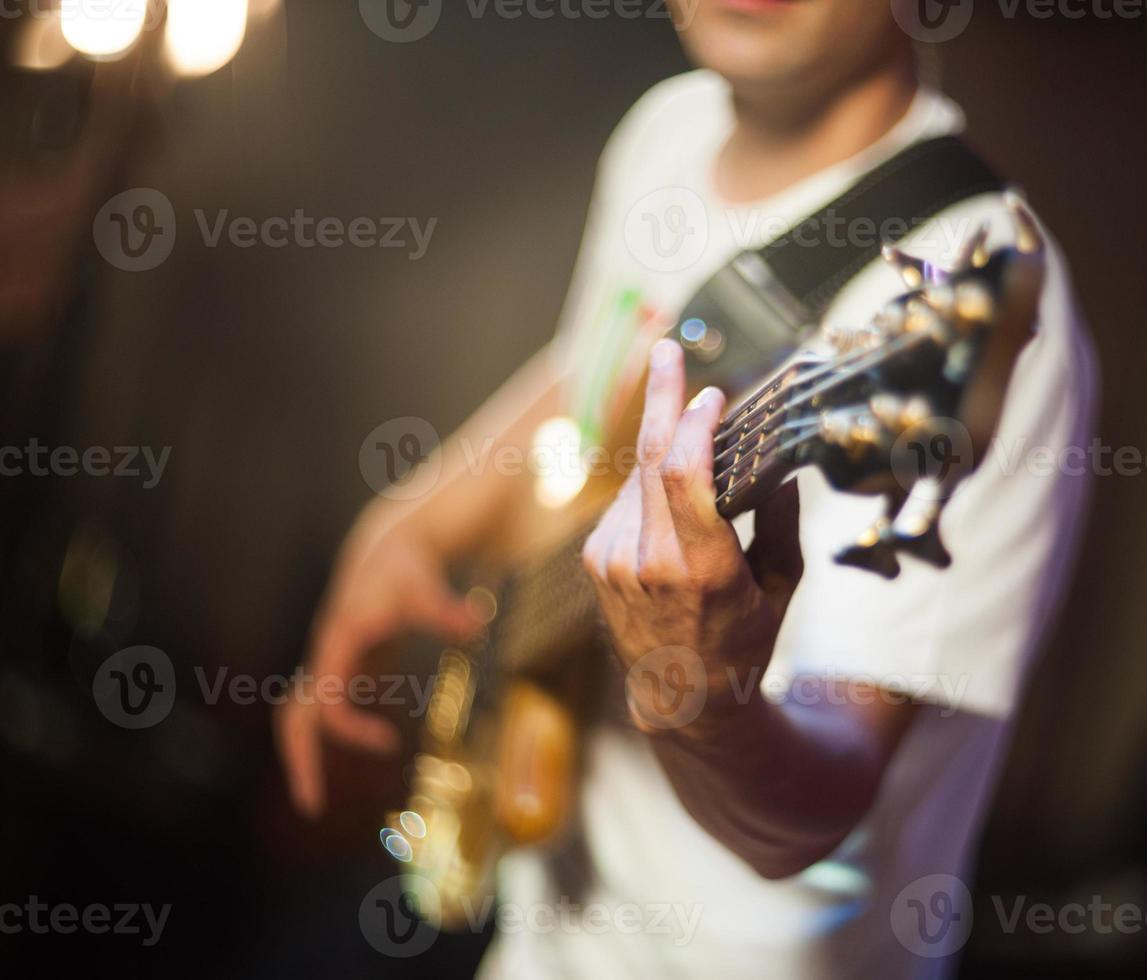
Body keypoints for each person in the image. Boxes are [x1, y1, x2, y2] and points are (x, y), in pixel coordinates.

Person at [276, 1, 1098, 976]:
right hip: (542, 921)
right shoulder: (671, 130)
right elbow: (589, 380)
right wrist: (399, 529)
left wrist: (697, 687)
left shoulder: (974, 292)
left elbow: (812, 815)